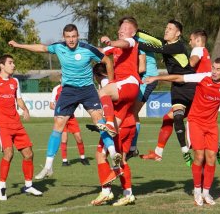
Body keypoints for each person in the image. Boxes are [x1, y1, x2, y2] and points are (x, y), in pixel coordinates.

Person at [8, 24, 118, 183]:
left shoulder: (88, 49)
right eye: (68, 37)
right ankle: (48, 166)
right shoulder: (59, 47)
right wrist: (19, 45)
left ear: (78, 36)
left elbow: (107, 60)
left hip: (87, 90)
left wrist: (110, 83)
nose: (71, 40)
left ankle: (114, 154)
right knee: (58, 124)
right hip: (68, 91)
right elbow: (41, 48)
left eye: (74, 36)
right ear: (64, 37)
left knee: (98, 119)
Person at [143, 58, 220, 206]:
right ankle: (197, 191)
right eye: (213, 68)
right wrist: (155, 78)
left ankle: (206, 193)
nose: (214, 72)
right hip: (195, 122)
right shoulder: (202, 77)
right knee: (199, 156)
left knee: (211, 158)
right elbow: (177, 77)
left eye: (218, 69)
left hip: (212, 125)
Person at [0, 54, 43, 201]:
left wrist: (24, 109)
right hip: (2, 124)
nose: (13, 65)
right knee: (8, 154)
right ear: (2, 65)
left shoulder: (15, 81)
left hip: (17, 124)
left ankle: (28, 185)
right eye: (10, 63)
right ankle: (2, 187)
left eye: (13, 62)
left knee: (29, 154)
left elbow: (18, 99)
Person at [136, 20, 196, 166]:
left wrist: (134, 43)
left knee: (194, 123)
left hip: (191, 88)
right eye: (166, 28)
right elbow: (153, 39)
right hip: (177, 87)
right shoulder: (167, 44)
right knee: (170, 118)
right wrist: (134, 31)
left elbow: (155, 47)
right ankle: (160, 153)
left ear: (178, 33)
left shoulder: (178, 46)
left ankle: (210, 146)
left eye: (170, 29)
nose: (166, 30)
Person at [90, 63, 137, 207]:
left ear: (97, 76)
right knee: (122, 159)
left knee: (100, 155)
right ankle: (128, 194)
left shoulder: (106, 85)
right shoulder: (120, 82)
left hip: (118, 125)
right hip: (130, 123)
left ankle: (106, 191)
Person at [188, 29, 220, 165]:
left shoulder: (197, 50)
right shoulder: (205, 51)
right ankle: (216, 145)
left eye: (191, 39)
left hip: (200, 90)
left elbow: (191, 63)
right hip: (206, 89)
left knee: (178, 117)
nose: (189, 42)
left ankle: (186, 151)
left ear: (198, 41)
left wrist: (178, 65)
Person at [127, 37, 159, 160]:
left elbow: (142, 67)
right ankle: (130, 146)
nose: (121, 32)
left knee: (133, 112)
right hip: (141, 79)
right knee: (129, 112)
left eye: (123, 29)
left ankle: (132, 148)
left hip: (147, 78)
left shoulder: (139, 42)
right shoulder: (132, 41)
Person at [50, 77, 89, 166]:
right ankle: (64, 161)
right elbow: (51, 105)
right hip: (61, 118)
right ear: (60, 79)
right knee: (64, 139)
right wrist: (60, 109)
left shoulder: (71, 88)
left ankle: (83, 158)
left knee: (79, 137)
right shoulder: (56, 89)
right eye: (62, 77)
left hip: (71, 117)